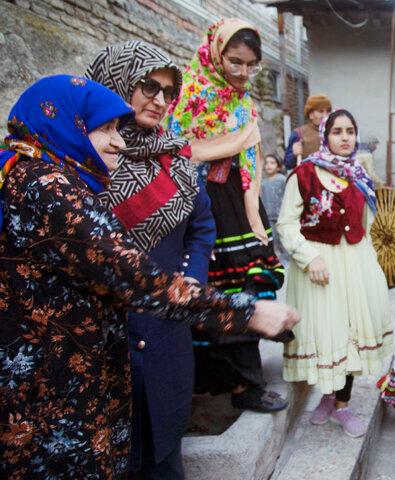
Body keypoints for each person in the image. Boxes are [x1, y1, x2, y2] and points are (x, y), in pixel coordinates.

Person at [0, 75, 299, 479]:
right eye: (104, 129)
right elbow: (129, 274)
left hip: (75, 371)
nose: (119, 143)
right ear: (67, 124)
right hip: (51, 392)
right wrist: (244, 313)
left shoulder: (38, 174)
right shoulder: (46, 187)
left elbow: (197, 227)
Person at [86, 40, 216, 478]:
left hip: (165, 327)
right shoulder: (86, 160)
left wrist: (193, 278)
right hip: (105, 330)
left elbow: (202, 229)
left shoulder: (177, 159)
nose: (160, 101)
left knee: (164, 455)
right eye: (148, 86)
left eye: (168, 91)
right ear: (116, 83)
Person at [167, 18, 288, 413]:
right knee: (206, 289)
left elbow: (245, 154)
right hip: (200, 205)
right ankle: (213, 382)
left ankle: (245, 386)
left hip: (240, 204)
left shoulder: (241, 100)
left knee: (246, 287)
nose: (243, 72)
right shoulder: (188, 92)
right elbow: (178, 153)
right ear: (216, 54)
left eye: (251, 65)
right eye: (235, 62)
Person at [276, 109, 393, 437]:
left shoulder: (360, 176)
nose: (345, 137)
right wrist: (308, 258)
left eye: (350, 131)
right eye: (338, 131)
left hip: (355, 263)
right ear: (325, 136)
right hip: (319, 264)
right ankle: (328, 396)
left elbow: (366, 228)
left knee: (352, 332)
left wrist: (372, 269)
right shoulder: (305, 173)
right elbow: (285, 223)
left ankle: (341, 405)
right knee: (329, 332)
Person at [283, 94, 332, 170]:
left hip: (331, 179)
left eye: (328, 111)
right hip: (308, 178)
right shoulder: (298, 133)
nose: (325, 115)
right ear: (311, 114)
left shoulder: (333, 132)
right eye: (321, 111)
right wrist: (294, 154)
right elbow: (287, 164)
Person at [261, 153, 288, 265]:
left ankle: (288, 262)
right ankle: (278, 262)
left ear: (279, 166)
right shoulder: (263, 183)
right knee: (274, 240)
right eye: (267, 163)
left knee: (285, 239)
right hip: (269, 217)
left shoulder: (283, 179)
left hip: (282, 216)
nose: (268, 165)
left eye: (272, 163)